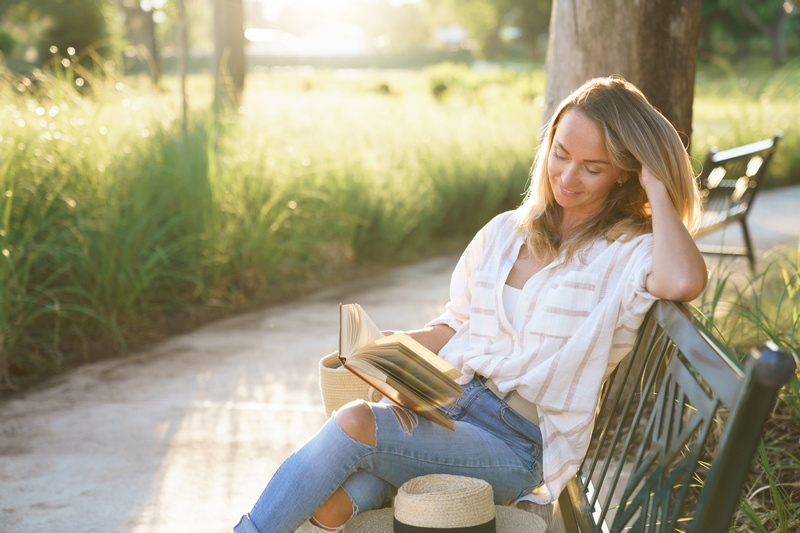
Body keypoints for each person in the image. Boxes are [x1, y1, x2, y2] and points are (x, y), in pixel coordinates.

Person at [234, 76, 708, 533]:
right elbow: (456, 323)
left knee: (356, 422)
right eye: (560, 155)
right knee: (345, 493)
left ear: (626, 172)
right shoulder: (506, 232)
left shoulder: (627, 253)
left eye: (593, 166)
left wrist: (657, 188)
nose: (567, 176)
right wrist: (387, 351)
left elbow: (685, 280)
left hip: (515, 445)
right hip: (446, 404)